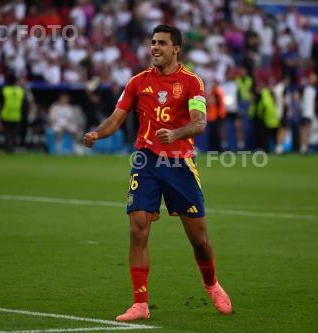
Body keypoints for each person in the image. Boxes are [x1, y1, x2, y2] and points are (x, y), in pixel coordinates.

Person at [83, 24, 232, 321]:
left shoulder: (192, 82)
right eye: (153, 42)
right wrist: (97, 134)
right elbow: (116, 118)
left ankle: (212, 284)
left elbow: (200, 123)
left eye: (162, 43)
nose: (155, 47)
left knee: (199, 240)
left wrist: (176, 134)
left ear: (176, 48)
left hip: (179, 163)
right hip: (146, 160)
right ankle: (140, 304)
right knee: (137, 229)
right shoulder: (138, 82)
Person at [0, 74, 28, 153]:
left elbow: (0, 103)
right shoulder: (20, 91)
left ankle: (8, 148)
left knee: (7, 132)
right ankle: (13, 147)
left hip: (6, 114)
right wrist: (24, 115)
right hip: (17, 115)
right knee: (14, 133)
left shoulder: (4, 90)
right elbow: (24, 104)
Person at [300, 73, 318, 154]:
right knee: (304, 130)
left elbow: (313, 102)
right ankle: (303, 148)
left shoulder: (313, 90)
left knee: (307, 131)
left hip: (310, 113)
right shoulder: (306, 89)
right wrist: (301, 109)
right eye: (312, 78)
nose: (314, 79)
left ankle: (305, 147)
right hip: (305, 113)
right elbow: (302, 100)